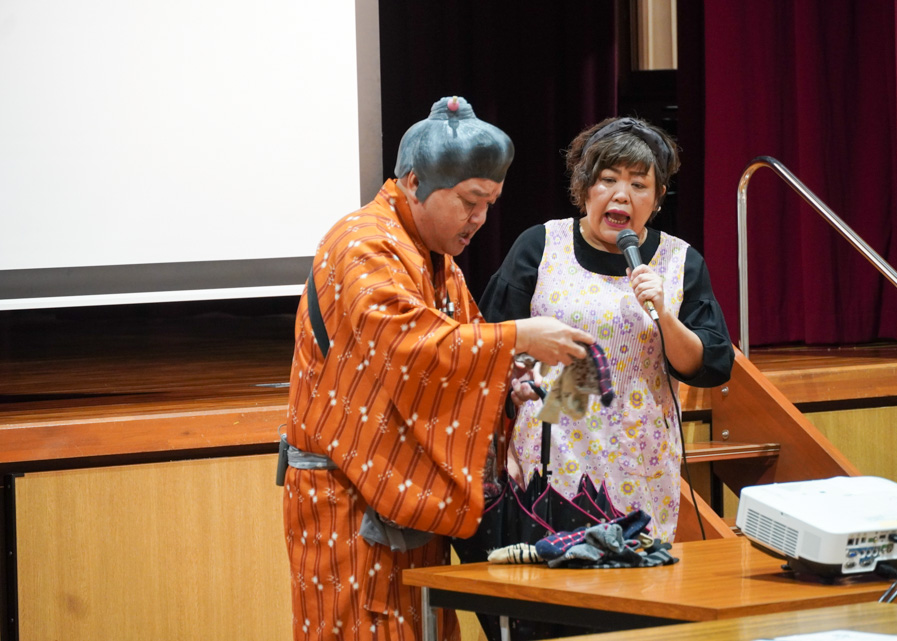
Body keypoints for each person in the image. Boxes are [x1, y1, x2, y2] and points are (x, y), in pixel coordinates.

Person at [281, 96, 593, 641]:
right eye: (470, 200)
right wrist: (519, 335)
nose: (480, 219)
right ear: (413, 182)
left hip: (405, 492)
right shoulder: (363, 243)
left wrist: (515, 384)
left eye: (490, 203)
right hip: (349, 499)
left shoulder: (435, 260)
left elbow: (470, 352)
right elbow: (411, 345)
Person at [480, 116, 735, 543]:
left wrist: (665, 315)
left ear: (656, 199)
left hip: (641, 459)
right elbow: (488, 341)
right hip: (550, 453)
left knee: (640, 590)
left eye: (639, 184)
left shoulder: (679, 261)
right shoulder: (540, 246)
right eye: (608, 179)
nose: (622, 194)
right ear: (585, 189)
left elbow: (709, 365)